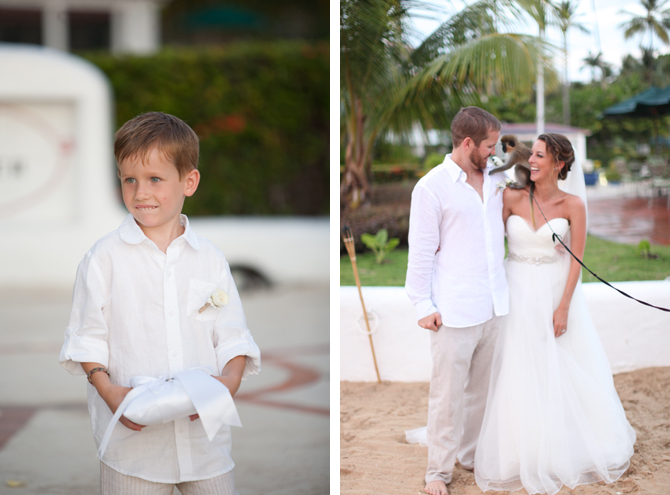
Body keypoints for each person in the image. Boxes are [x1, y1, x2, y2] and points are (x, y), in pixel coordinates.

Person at [59, 112, 261, 495]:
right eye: (129, 180)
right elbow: (87, 335)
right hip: (131, 444)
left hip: (204, 439)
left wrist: (229, 381)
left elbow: (232, 332)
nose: (141, 193)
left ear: (189, 181)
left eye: (155, 179)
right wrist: (108, 391)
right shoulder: (103, 258)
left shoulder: (210, 258)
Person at [474, 134, 636, 495]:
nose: (531, 160)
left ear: (559, 164)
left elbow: (577, 261)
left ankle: (560, 445)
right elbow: (486, 244)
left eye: (540, 156)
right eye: (531, 154)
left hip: (553, 293)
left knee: (558, 368)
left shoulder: (573, 205)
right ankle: (518, 448)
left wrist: (562, 306)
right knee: (517, 368)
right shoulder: (510, 197)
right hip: (514, 292)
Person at [405, 107, 510, 495]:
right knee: (446, 397)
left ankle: (470, 456)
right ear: (468, 144)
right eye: (489, 145)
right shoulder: (431, 187)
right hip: (452, 309)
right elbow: (421, 252)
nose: (494, 151)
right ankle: (438, 472)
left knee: (480, 393)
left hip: (494, 305)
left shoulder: (496, 179)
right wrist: (422, 305)